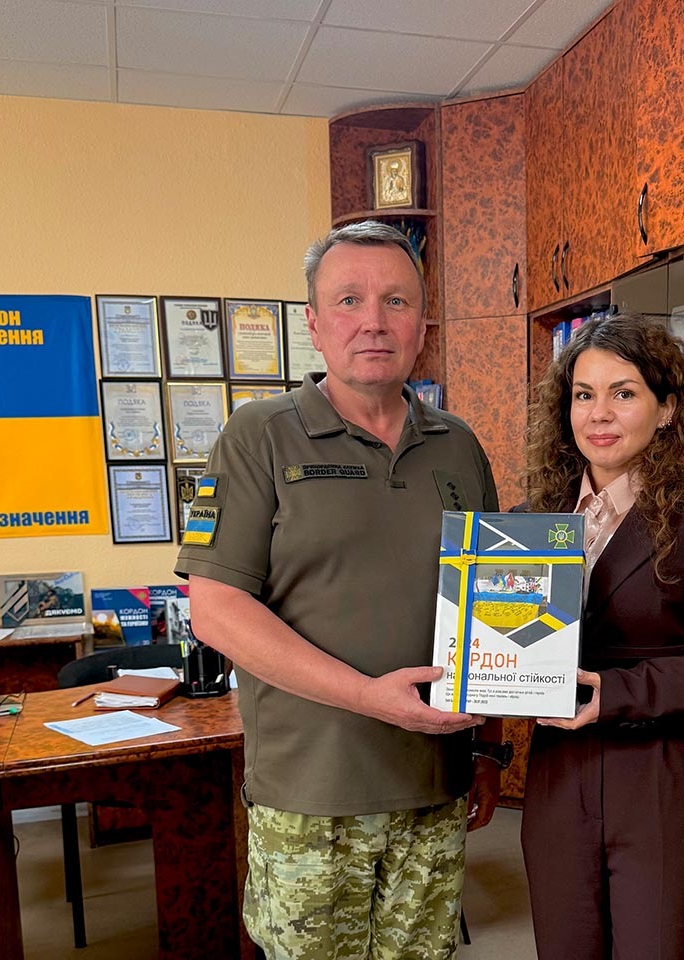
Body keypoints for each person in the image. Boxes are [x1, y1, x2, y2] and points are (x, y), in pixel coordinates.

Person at [174, 220, 504, 960]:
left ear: (424, 324)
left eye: (396, 300)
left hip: (434, 784)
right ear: (315, 325)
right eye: (349, 300)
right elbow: (216, 611)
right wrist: (368, 696)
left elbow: (491, 602)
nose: (374, 321)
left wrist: (490, 751)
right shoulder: (256, 436)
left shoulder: (458, 445)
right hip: (311, 797)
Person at [519, 313, 684, 960]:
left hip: (656, 774)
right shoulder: (530, 521)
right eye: (584, 395)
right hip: (557, 778)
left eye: (623, 393)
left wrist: (616, 692)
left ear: (667, 410)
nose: (599, 414)